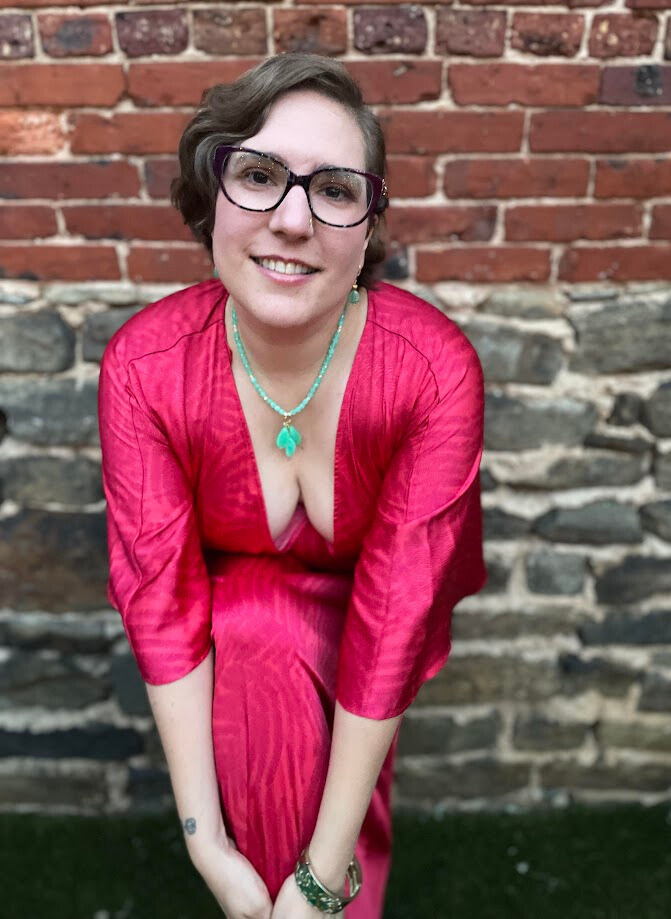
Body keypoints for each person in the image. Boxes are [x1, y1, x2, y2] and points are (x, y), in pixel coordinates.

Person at [98, 52, 486, 919]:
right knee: (259, 634)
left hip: (384, 611)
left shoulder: (432, 372)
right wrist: (209, 845)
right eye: (259, 177)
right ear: (211, 197)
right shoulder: (144, 368)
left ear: (367, 224)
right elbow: (160, 605)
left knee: (318, 837)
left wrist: (317, 877)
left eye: (335, 190)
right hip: (236, 630)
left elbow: (395, 616)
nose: (291, 220)